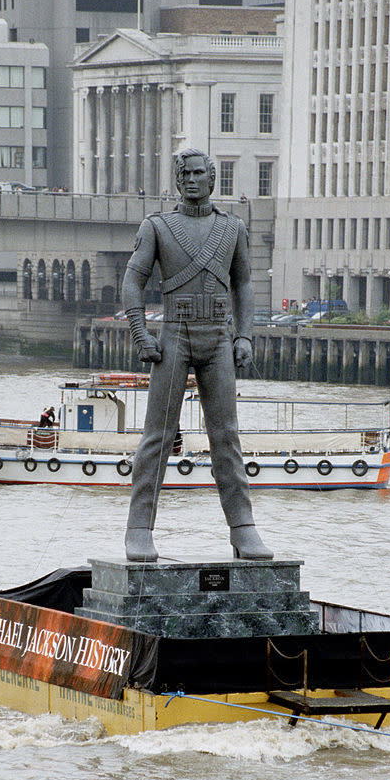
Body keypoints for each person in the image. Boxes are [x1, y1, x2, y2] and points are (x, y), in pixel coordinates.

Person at [121, 147, 272, 563]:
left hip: (219, 338)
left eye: (198, 173)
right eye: (183, 174)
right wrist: (140, 333)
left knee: (226, 437)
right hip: (174, 337)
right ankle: (139, 530)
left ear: (212, 179)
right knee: (158, 437)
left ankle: (243, 529)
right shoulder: (157, 227)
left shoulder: (233, 229)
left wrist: (245, 335)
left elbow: (243, 285)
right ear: (177, 179)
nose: (190, 180)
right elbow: (132, 280)